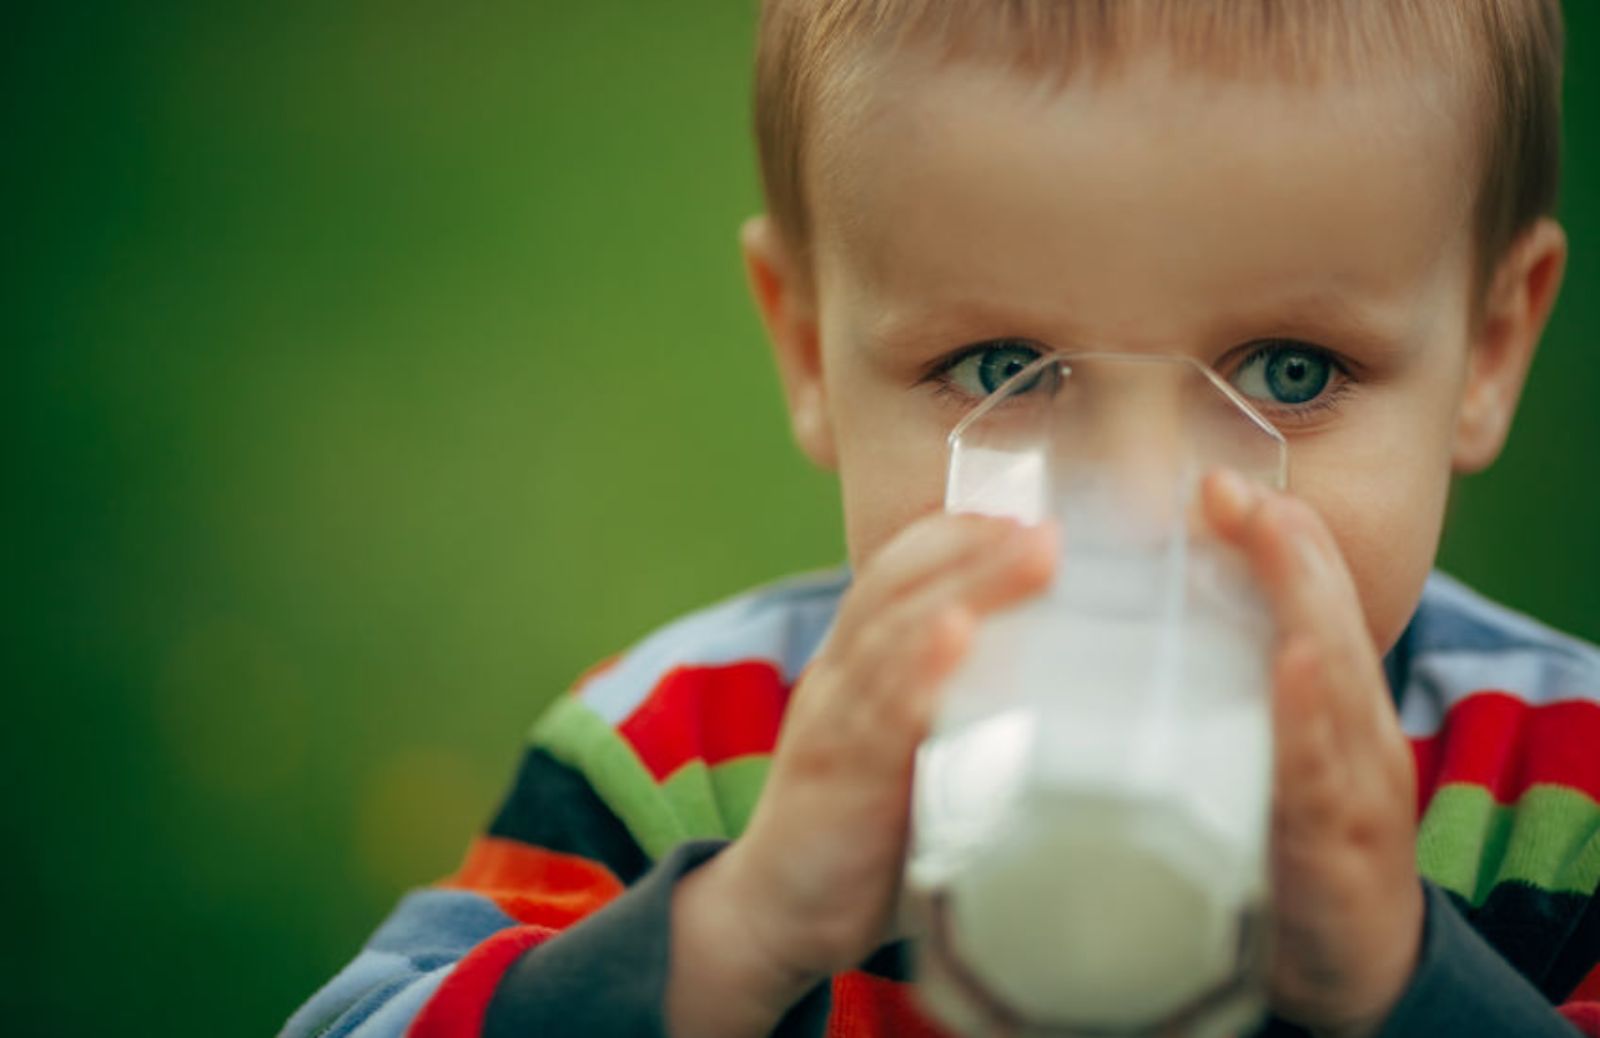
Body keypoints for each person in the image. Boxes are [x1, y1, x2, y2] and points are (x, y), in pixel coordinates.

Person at [284, 2, 1600, 1036]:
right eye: (1000, 369)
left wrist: (1409, 981)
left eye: (1288, 370)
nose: (1140, 509)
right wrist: (736, 936)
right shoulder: (685, 761)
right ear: (807, 345)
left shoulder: (1561, 799)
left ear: (1486, 348)